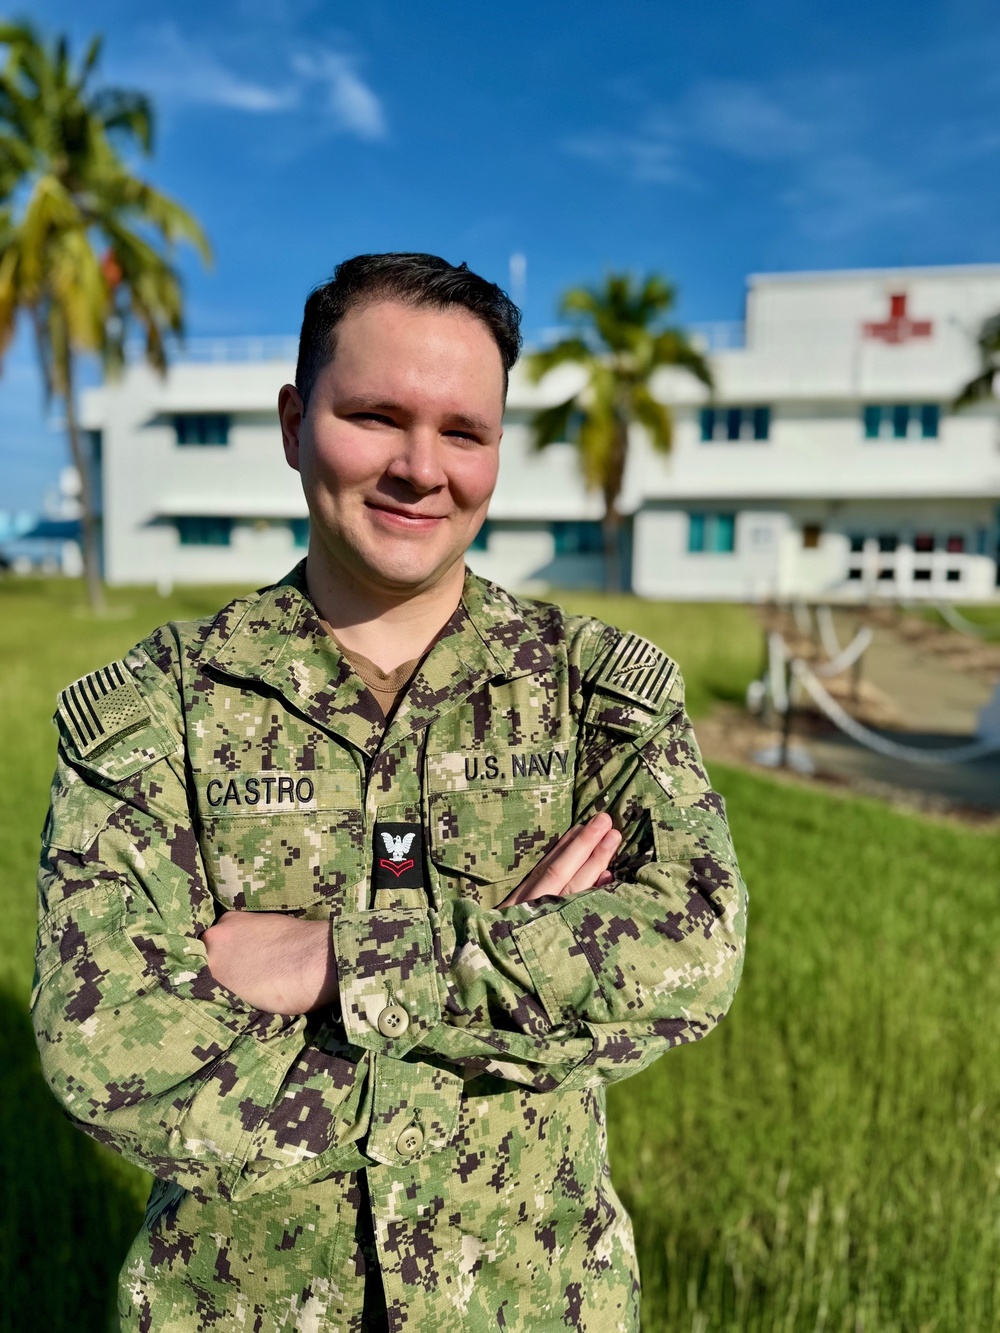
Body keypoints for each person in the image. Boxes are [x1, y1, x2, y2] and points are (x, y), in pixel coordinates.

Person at [33, 253, 747, 1332]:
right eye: (374, 416)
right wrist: (514, 971)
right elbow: (106, 1042)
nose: (423, 468)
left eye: (464, 432)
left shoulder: (592, 695)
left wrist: (331, 963)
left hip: (531, 1299)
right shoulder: (159, 712)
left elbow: (690, 950)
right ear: (293, 423)